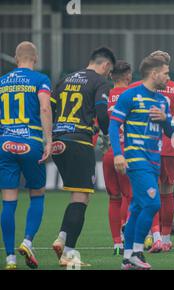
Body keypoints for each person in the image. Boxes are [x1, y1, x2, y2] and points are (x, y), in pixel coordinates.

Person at [51, 47, 115, 267]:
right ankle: (68, 254)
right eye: (110, 72)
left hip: (58, 142)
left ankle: (62, 237)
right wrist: (106, 133)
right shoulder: (100, 81)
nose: (109, 76)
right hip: (79, 140)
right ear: (106, 66)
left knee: (75, 195)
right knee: (81, 197)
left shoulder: (63, 79)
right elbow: (101, 109)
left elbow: (49, 109)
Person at [110, 54, 174, 270]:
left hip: (154, 160)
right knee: (153, 203)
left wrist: (165, 119)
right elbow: (113, 126)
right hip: (136, 158)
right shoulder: (130, 96)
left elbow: (171, 133)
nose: (168, 77)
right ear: (154, 73)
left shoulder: (162, 101)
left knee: (138, 208)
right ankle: (138, 251)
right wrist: (119, 154)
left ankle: (127, 257)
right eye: (165, 73)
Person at [127, 51, 174, 253]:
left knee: (147, 193)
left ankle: (150, 237)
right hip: (169, 146)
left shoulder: (137, 87)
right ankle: (165, 238)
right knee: (166, 192)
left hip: (146, 146)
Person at [0, 41, 53, 270]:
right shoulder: (40, 80)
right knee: (37, 194)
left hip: (5, 144)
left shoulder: (2, 82)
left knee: (8, 201)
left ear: (15, 57)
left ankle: (10, 257)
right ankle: (28, 241)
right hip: (31, 142)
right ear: (36, 58)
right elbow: (44, 108)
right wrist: (49, 140)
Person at [102, 60, 133, 256]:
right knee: (130, 196)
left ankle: (116, 243)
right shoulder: (131, 95)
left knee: (114, 198)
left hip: (108, 154)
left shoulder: (104, 96)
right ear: (128, 75)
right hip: (127, 152)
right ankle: (125, 229)